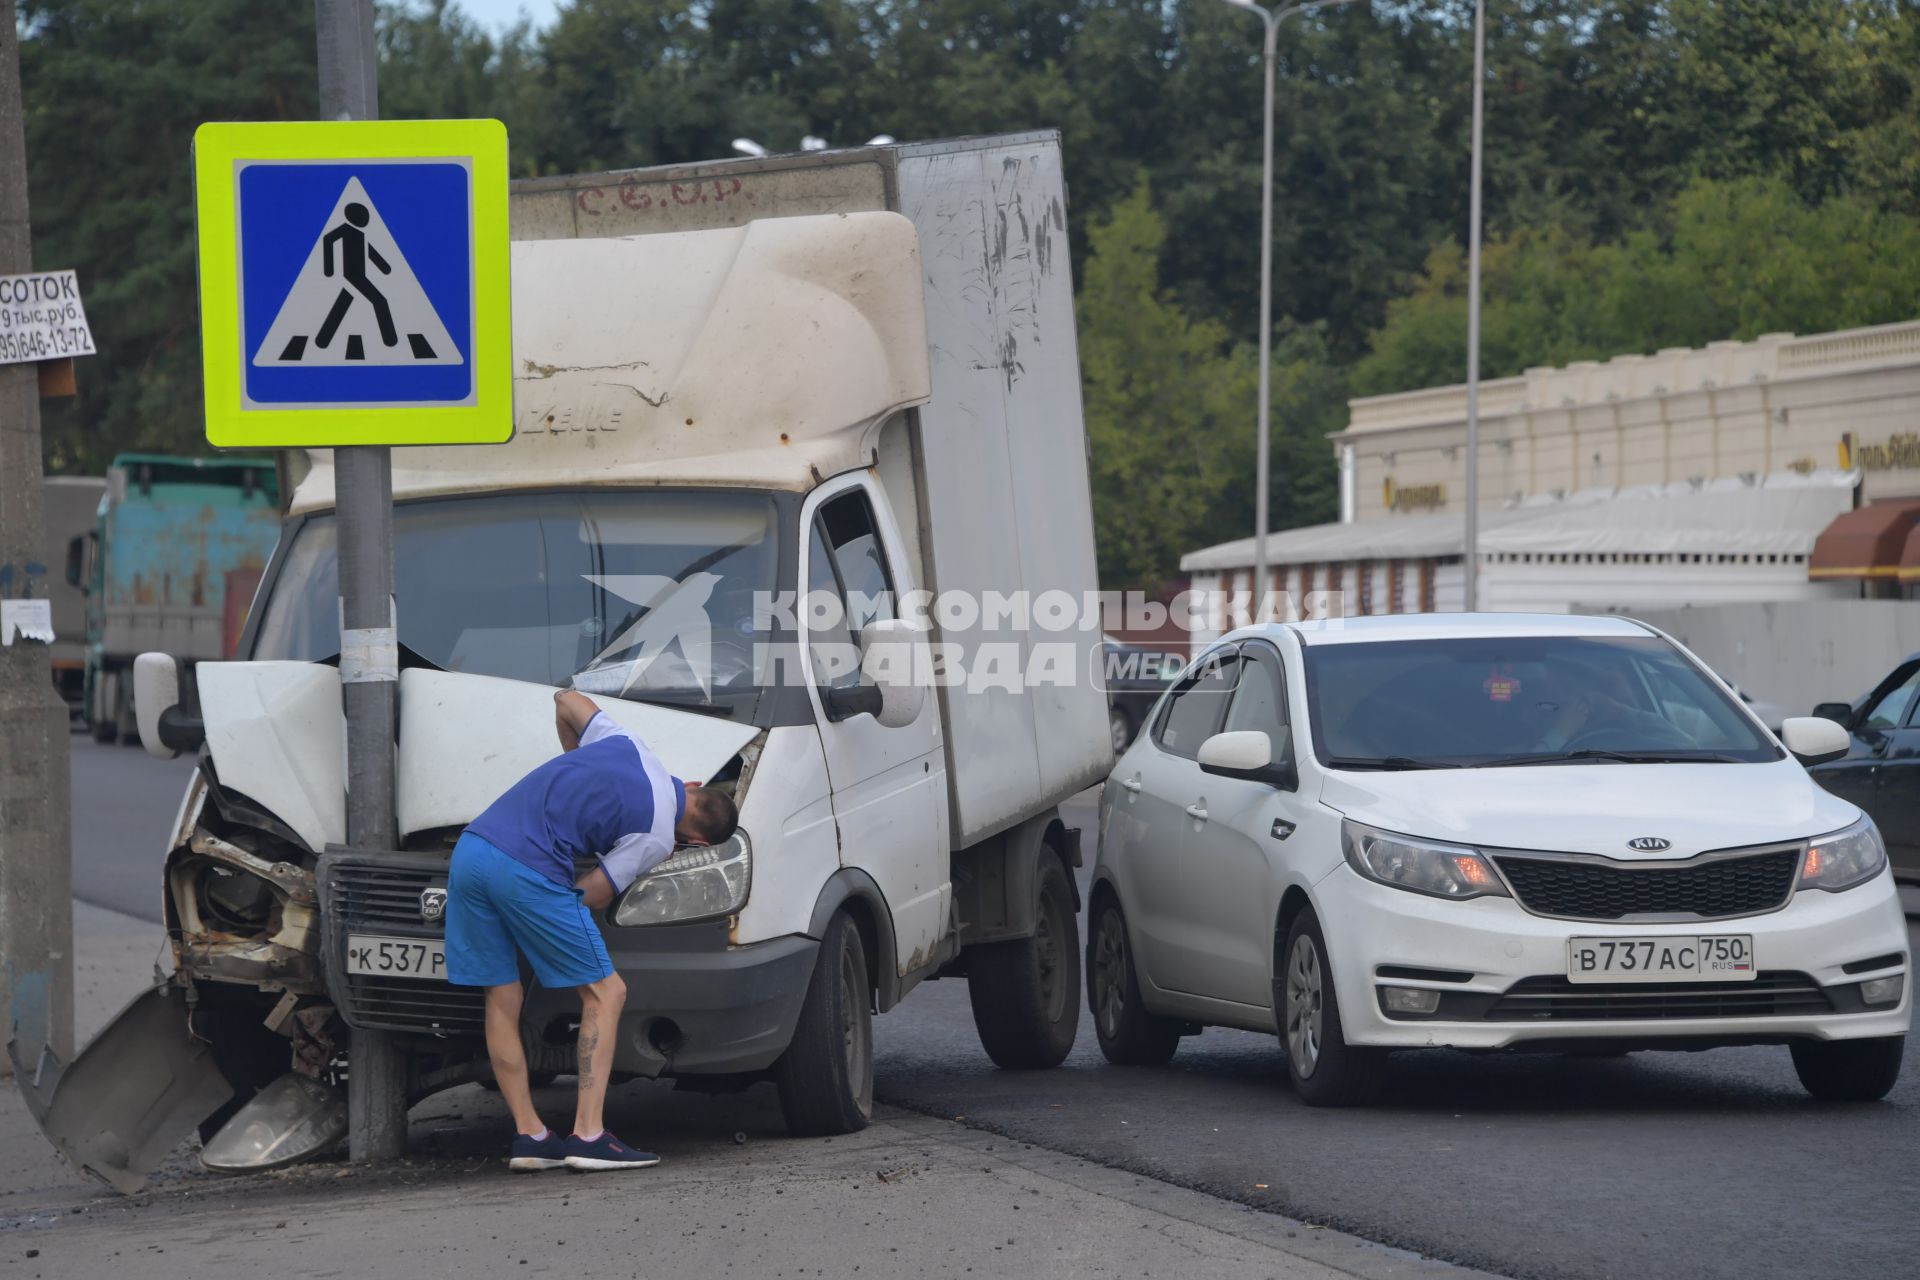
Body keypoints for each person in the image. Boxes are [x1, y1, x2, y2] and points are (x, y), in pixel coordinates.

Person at [444, 688, 739, 1173]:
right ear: (698, 842)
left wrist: (577, 769)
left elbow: (566, 700)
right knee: (606, 993)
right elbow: (590, 894)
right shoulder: (656, 836)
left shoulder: (630, 745)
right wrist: (540, 913)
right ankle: (588, 1134)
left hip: (472, 850)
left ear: (690, 785)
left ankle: (531, 1136)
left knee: (502, 996)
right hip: (527, 869)